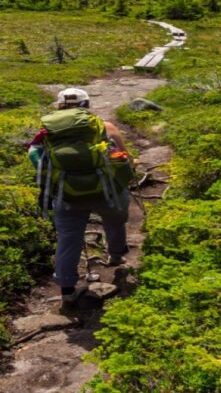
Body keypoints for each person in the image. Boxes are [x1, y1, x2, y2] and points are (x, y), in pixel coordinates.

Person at [27, 87, 132, 309]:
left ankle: (67, 290)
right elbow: (123, 158)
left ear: (60, 106)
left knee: (68, 238)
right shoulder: (105, 127)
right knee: (114, 220)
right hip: (105, 191)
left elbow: (34, 156)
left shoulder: (47, 132)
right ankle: (116, 256)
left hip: (66, 194)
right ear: (86, 105)